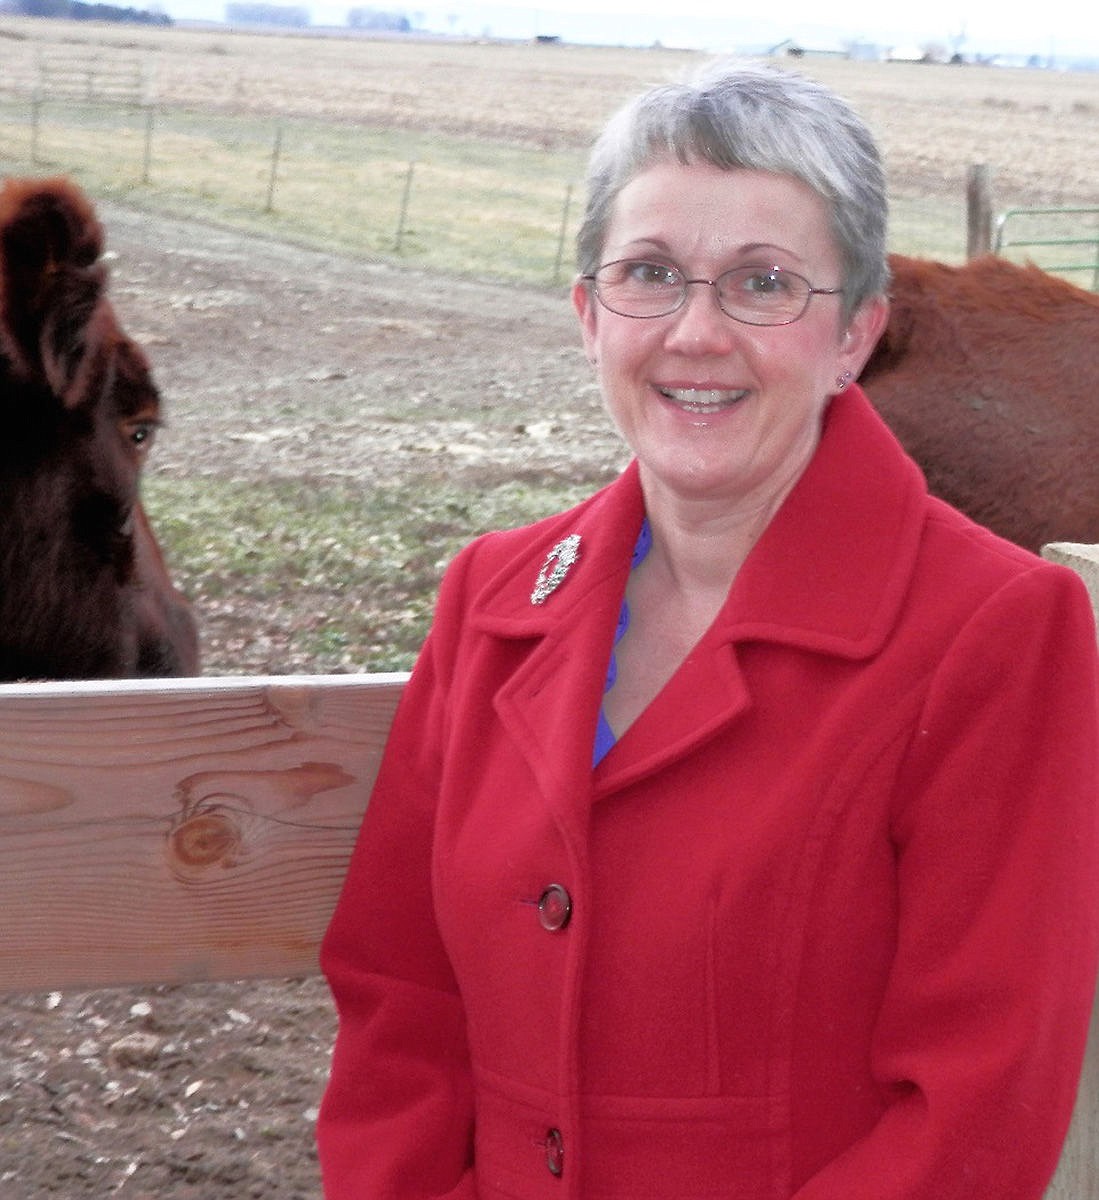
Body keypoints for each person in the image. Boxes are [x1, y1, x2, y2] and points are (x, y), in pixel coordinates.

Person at [317, 59, 1099, 1199]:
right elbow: (401, 1001)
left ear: (853, 337)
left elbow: (974, 1107)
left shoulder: (993, 632)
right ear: (589, 315)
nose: (694, 332)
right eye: (648, 274)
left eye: (763, 283)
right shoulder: (491, 602)